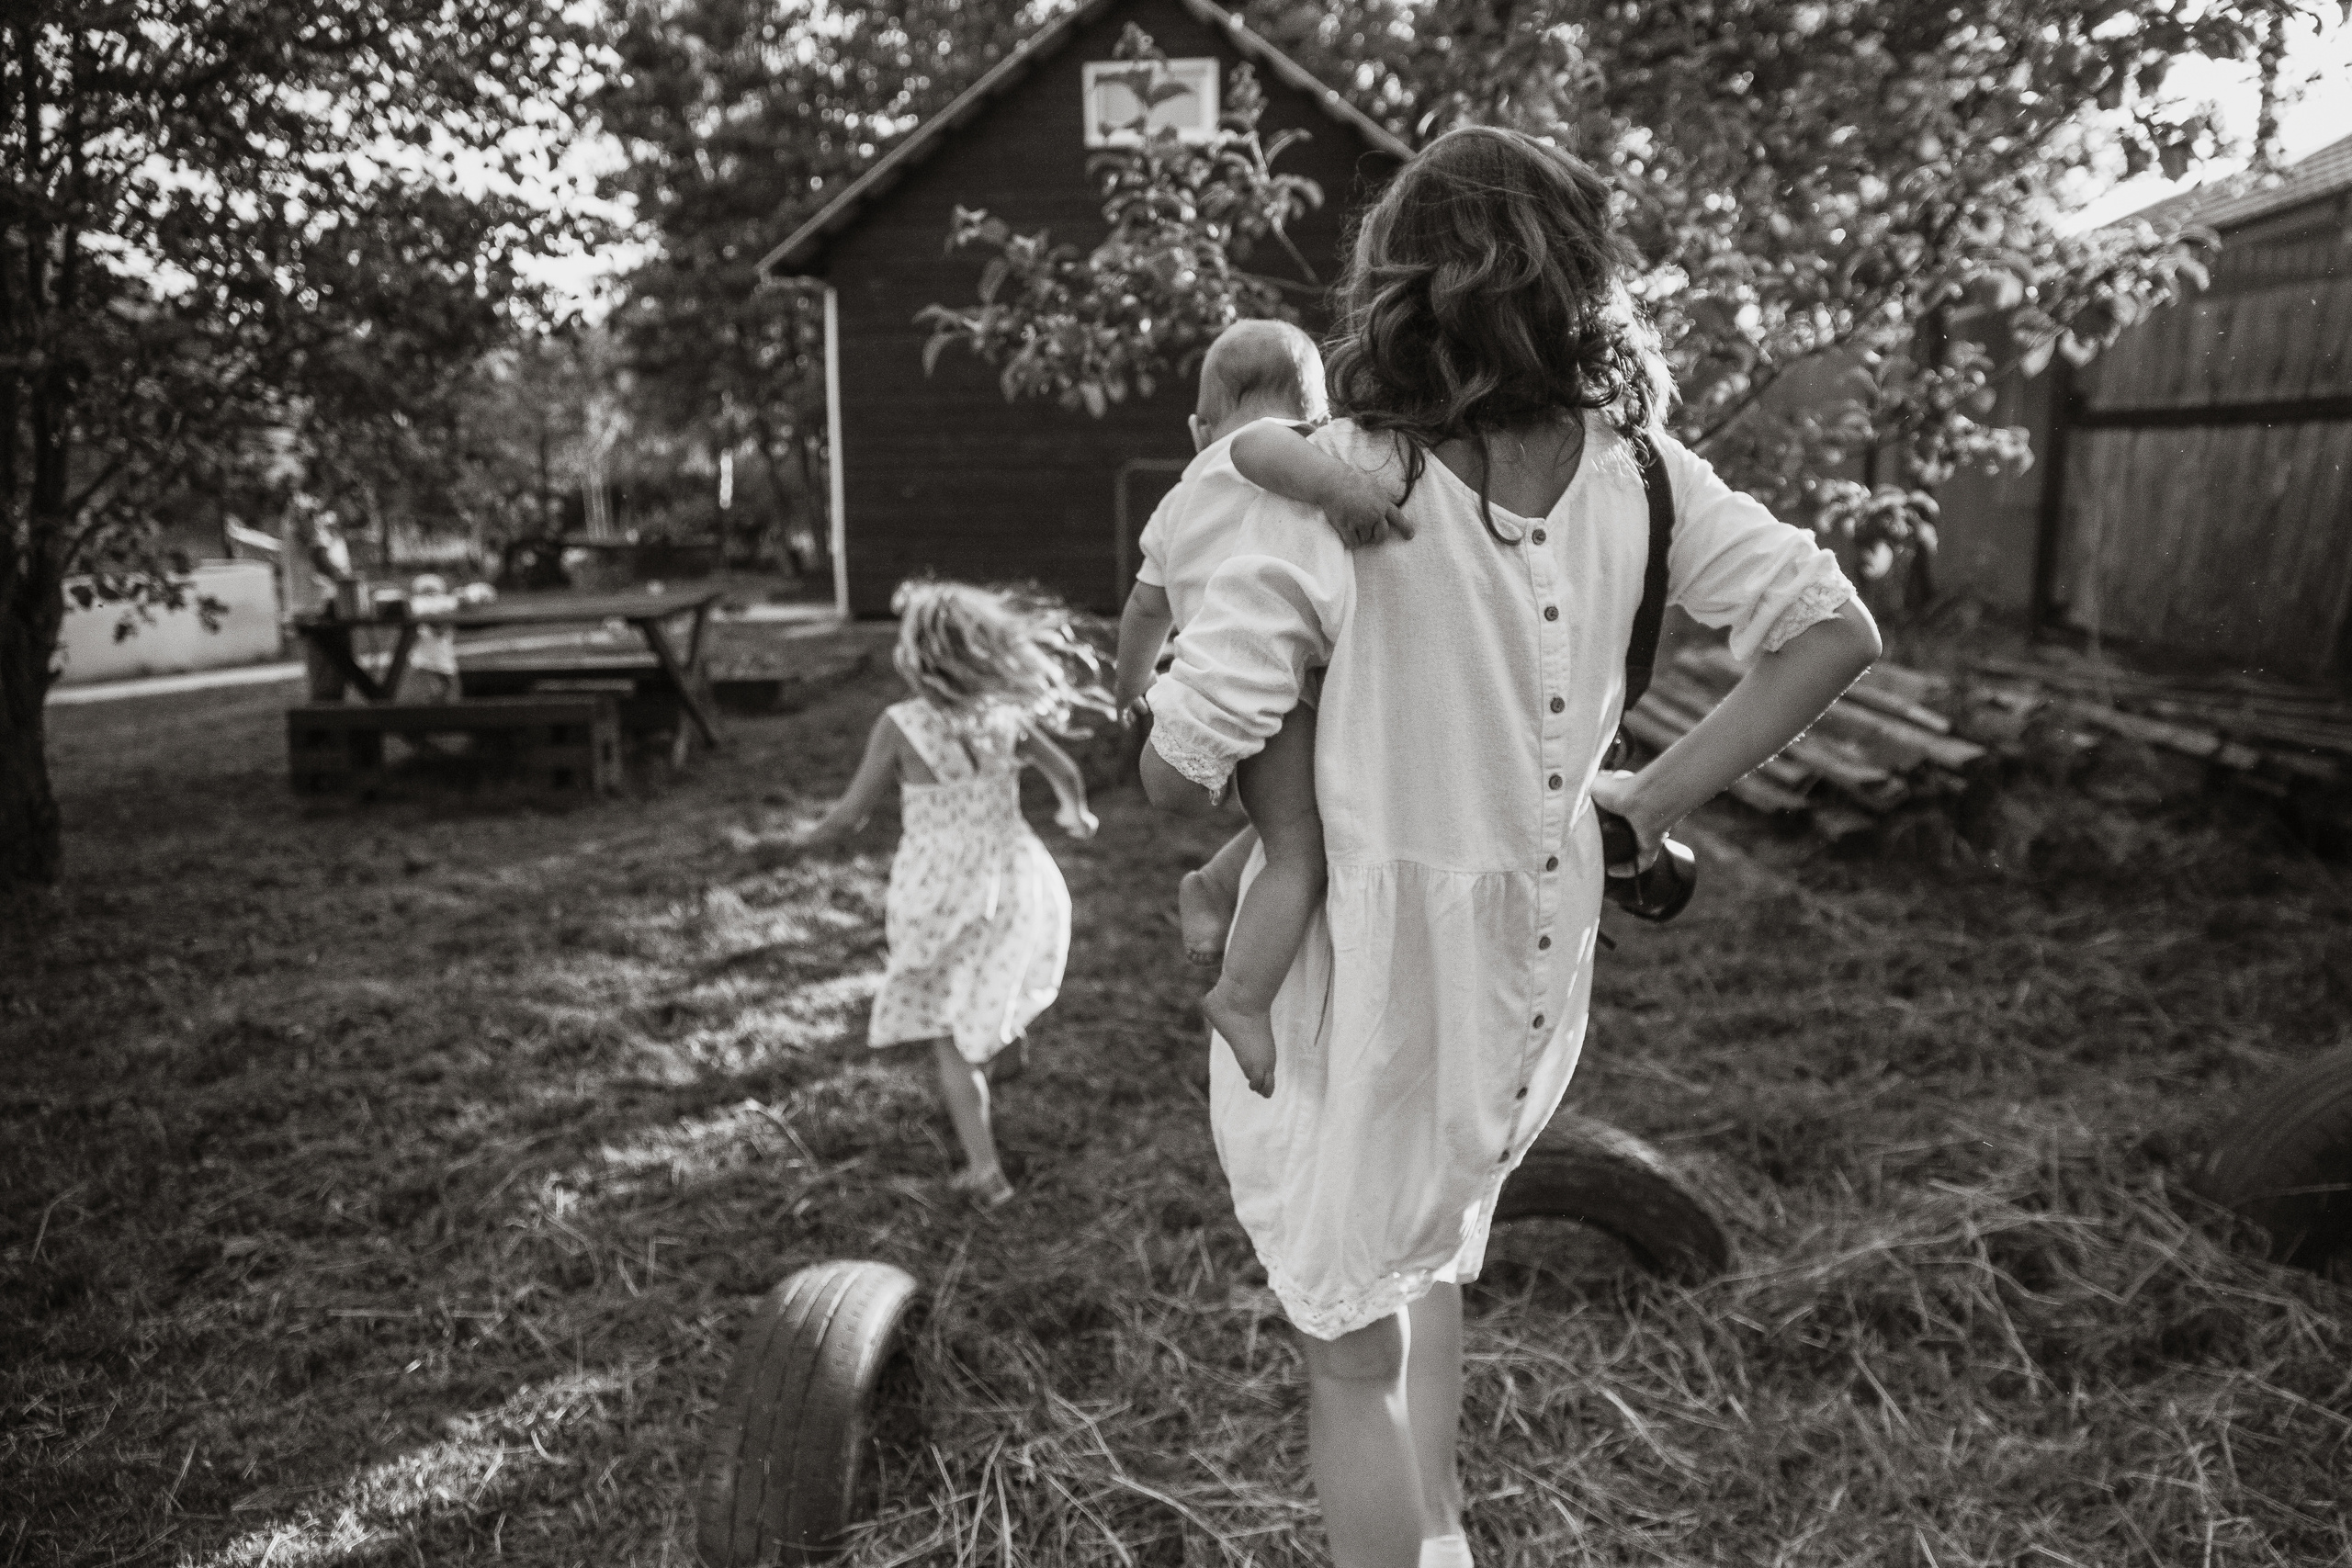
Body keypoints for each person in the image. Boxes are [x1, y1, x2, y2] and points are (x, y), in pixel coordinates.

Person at [1139, 127, 1883, 1568]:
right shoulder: (1645, 474)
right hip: (1529, 973)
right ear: (1586, 284)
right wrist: (1651, 795)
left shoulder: (1332, 481)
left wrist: (1192, 694)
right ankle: (1443, 1535)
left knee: (1351, 1344)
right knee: (1436, 1258)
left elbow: (1177, 780)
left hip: (1368, 986)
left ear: (1397, 284)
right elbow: (1836, 630)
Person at [1111, 319, 1410, 1095]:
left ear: (1194, 425)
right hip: (1244, 686)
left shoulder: (1178, 504)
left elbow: (1145, 610)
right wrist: (1342, 488)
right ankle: (1242, 997)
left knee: (1304, 817)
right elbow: (1258, 449)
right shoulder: (1265, 451)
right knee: (1300, 852)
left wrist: (1131, 689)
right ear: (1315, 416)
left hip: (1221, 688)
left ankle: (1210, 883)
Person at [744, 580, 1106, 1209]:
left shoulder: (899, 724)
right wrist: (1077, 815)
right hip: (1015, 879)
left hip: (939, 894)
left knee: (950, 1036)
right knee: (997, 980)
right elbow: (1066, 774)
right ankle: (1001, 1040)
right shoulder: (1007, 716)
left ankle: (985, 1172)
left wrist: (802, 838)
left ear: (914, 656)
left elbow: (852, 814)